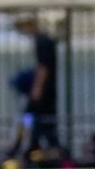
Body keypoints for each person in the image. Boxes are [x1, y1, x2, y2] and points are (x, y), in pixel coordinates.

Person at [10, 15, 59, 159]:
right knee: (42, 123)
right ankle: (32, 146)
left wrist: (36, 90)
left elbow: (42, 68)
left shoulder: (42, 42)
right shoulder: (45, 41)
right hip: (46, 93)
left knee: (31, 119)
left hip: (42, 95)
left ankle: (22, 146)